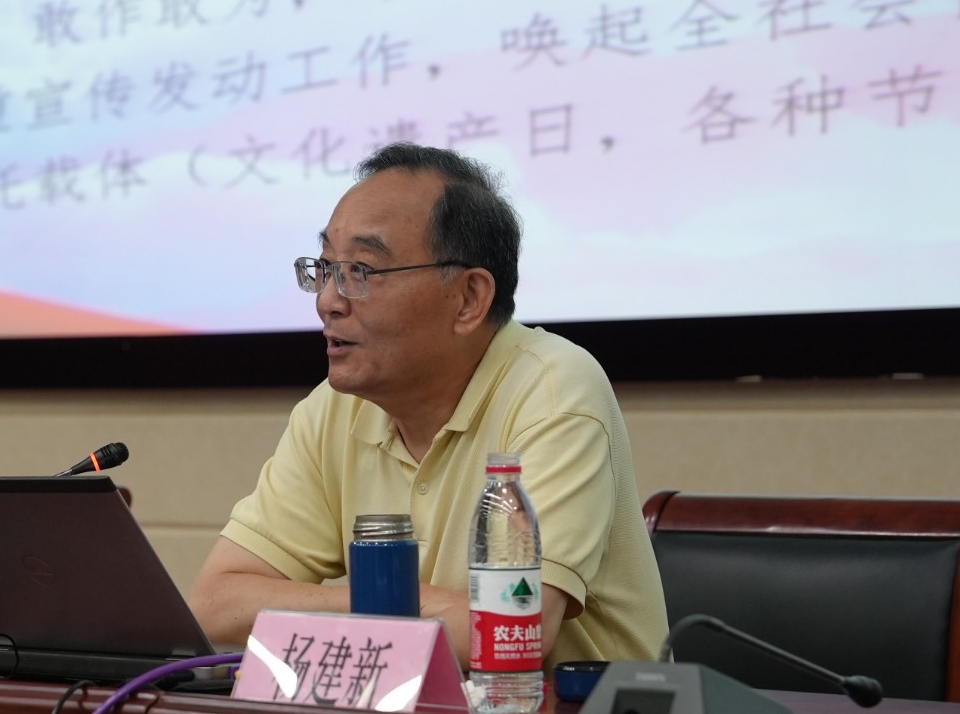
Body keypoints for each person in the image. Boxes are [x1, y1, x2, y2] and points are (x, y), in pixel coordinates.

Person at [188, 143, 666, 667]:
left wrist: (334, 607)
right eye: (325, 268)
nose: (327, 300)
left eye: (361, 270)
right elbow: (215, 604)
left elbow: (512, 628)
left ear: (469, 299)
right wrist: (407, 603)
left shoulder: (554, 391)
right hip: (412, 709)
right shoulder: (334, 409)